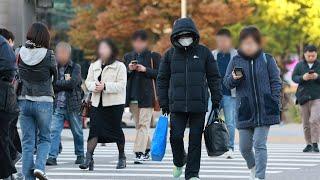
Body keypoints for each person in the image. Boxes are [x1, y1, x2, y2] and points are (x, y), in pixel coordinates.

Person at [157, 18, 222, 180]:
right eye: (181, 35)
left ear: (194, 35)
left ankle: (192, 174)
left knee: (195, 140)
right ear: (175, 37)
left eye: (188, 35)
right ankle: (179, 160)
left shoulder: (204, 52)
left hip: (198, 104)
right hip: (176, 105)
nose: (185, 38)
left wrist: (216, 99)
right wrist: (163, 101)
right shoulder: (169, 55)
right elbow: (162, 79)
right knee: (176, 137)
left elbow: (214, 77)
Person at [224, 26, 282, 180]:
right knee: (244, 148)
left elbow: (276, 82)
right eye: (245, 43)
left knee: (259, 144)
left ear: (258, 43)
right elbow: (226, 83)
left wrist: (274, 99)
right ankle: (253, 167)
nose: (248, 46)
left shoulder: (267, 59)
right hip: (245, 110)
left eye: (251, 43)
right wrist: (233, 79)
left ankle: (260, 177)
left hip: (265, 109)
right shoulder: (235, 60)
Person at [17, 22, 57, 180]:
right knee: (45, 138)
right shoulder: (49, 54)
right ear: (44, 37)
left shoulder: (20, 52)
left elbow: (18, 75)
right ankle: (40, 168)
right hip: (44, 101)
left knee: (27, 142)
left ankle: (28, 177)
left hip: (24, 100)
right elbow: (55, 76)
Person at [80, 39, 127, 170]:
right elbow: (88, 82)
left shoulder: (120, 66)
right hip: (97, 104)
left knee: (116, 130)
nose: (103, 51)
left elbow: (122, 85)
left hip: (115, 105)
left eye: (106, 48)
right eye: (101, 48)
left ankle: (122, 157)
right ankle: (88, 158)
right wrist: (94, 86)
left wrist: (105, 86)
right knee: (94, 130)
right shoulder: (94, 65)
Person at [124, 30, 161, 164]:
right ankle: (147, 150)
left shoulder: (154, 56)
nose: (138, 44)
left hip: (148, 96)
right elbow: (123, 77)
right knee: (139, 127)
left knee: (144, 125)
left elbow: (161, 74)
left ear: (145, 42)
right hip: (133, 97)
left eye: (141, 42)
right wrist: (129, 69)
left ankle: (139, 153)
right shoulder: (128, 56)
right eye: (136, 42)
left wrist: (146, 70)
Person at [46, 42, 85, 166]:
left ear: (68, 54)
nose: (61, 55)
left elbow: (72, 83)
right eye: (59, 53)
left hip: (73, 106)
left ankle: (80, 155)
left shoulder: (75, 67)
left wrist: (58, 83)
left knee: (77, 132)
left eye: (64, 53)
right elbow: (50, 84)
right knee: (54, 132)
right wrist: (62, 84)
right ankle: (52, 156)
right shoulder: (53, 67)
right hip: (57, 105)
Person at [212, 28, 237, 159]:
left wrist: (236, 77)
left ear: (229, 41)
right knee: (210, 121)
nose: (221, 43)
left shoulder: (236, 55)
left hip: (230, 94)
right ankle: (214, 146)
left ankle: (230, 147)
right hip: (214, 94)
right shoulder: (213, 55)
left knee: (230, 122)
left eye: (224, 41)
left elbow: (241, 72)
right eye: (219, 41)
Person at [0, 28, 22, 164]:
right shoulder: (5, 48)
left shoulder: (7, 49)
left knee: (5, 134)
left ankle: (13, 157)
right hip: (9, 97)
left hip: (8, 97)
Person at [292, 45, 320, 153]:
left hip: (317, 97)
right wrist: (302, 78)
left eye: (313, 55)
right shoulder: (299, 65)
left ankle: (315, 143)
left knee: (314, 119)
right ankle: (308, 144)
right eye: (309, 55)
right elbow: (294, 78)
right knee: (305, 122)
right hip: (303, 97)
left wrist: (317, 77)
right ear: (305, 54)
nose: (311, 57)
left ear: (316, 54)